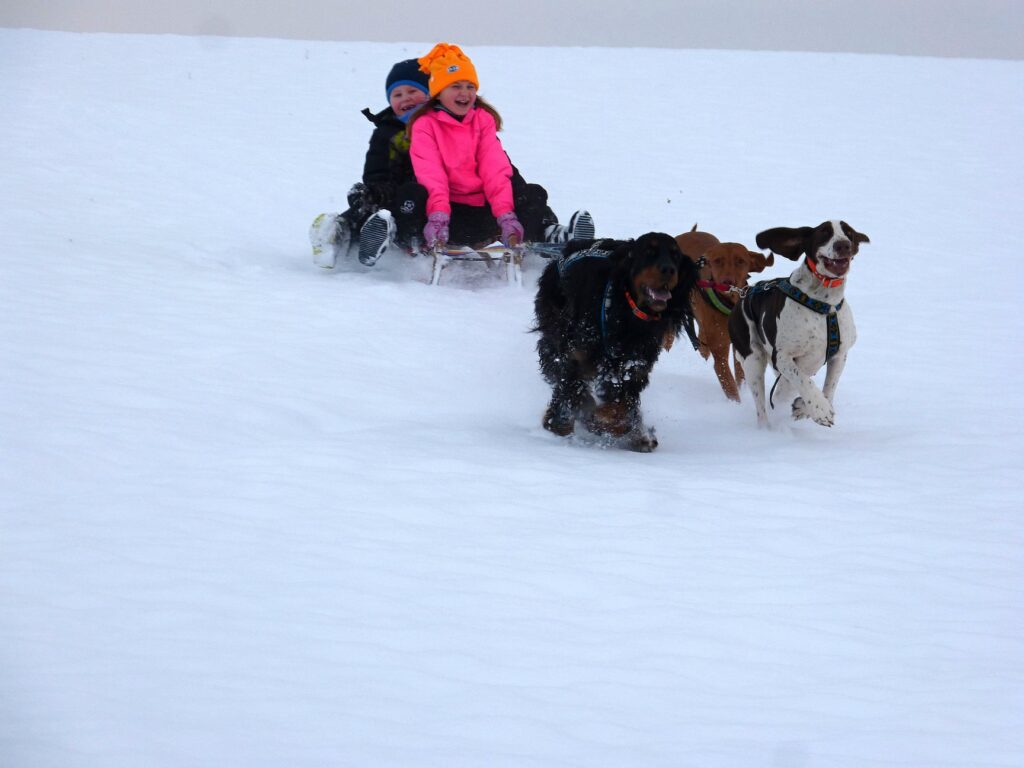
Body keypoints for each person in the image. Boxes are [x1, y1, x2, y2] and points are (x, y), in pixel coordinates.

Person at [356, 43, 594, 267]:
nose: (465, 93)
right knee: (412, 193)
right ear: (438, 92)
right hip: (444, 218)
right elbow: (432, 175)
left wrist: (506, 216)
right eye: (456, 86)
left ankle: (553, 236)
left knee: (531, 192)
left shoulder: (483, 122)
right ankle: (402, 239)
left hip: (486, 215)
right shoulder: (424, 126)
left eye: (470, 86)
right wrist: (438, 217)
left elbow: (495, 171)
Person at [309, 58, 430, 268]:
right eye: (397, 94)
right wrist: (376, 190)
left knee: (403, 208)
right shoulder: (386, 131)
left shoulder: (440, 126)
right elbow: (375, 169)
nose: (405, 99)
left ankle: (382, 232)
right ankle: (337, 233)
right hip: (391, 190)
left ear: (430, 94)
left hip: (423, 194)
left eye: (413, 91)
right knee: (364, 202)